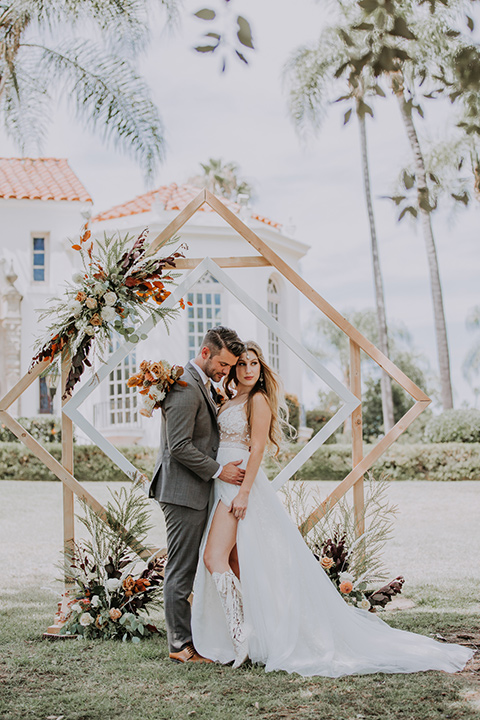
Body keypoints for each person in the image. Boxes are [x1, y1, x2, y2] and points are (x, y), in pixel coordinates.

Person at [191, 341, 474, 676]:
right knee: (239, 562)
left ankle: (240, 637)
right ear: (235, 368)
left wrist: (244, 494)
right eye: (242, 364)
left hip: (238, 488)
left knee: (214, 558)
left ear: (261, 368)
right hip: (222, 481)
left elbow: (256, 451)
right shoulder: (231, 399)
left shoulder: (258, 400)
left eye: (254, 363)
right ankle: (252, 631)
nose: (248, 369)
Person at [149, 326, 245, 663]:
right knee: (181, 568)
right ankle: (180, 646)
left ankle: (194, 637)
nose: (226, 371)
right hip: (182, 492)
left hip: (196, 491)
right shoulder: (185, 386)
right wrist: (220, 471)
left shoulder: (202, 385)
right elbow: (178, 447)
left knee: (187, 565)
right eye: (223, 364)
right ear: (205, 353)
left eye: (230, 366)